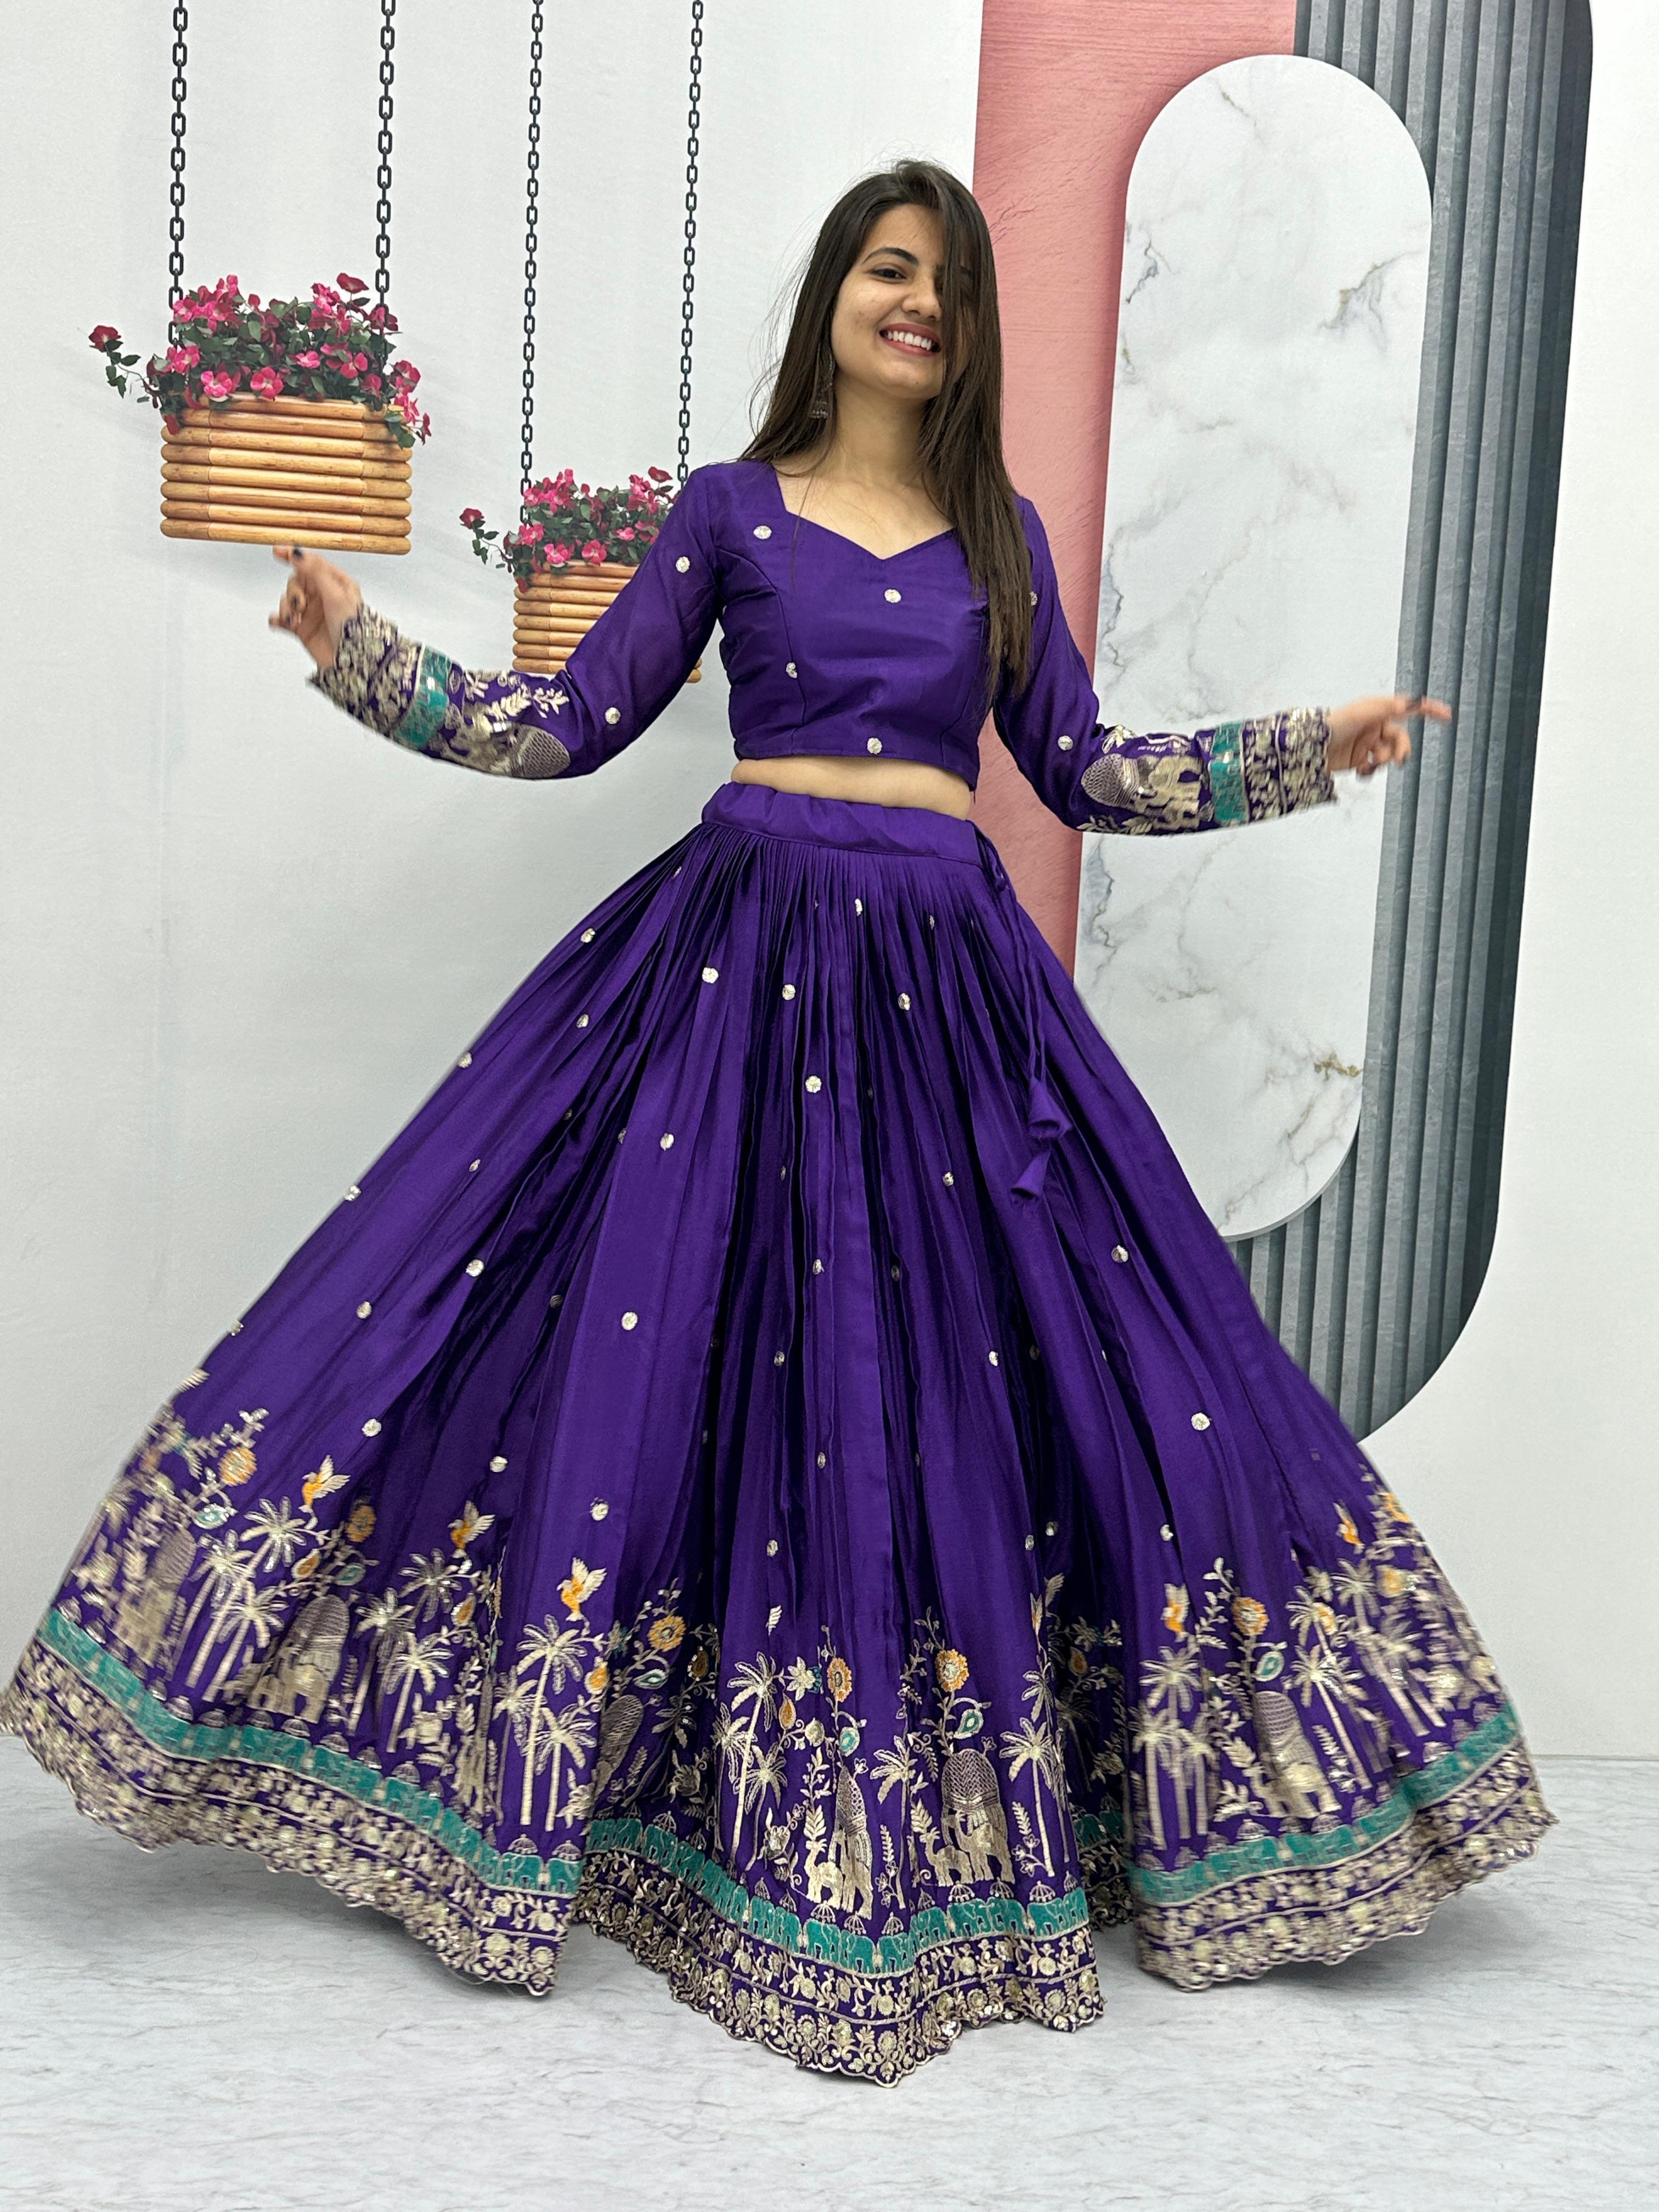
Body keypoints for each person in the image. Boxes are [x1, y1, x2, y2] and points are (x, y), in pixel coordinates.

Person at [2, 160, 1550, 2084]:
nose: (919, 305)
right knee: (649, 1344)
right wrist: (364, 653)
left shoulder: (1001, 538)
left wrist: (1307, 748)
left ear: (972, 334)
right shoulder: (727, 514)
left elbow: (1081, 773)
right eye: (889, 271)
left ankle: (1025, 1802)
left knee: (987, 1373)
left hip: (950, 998)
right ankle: (615, 1786)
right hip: (737, 973)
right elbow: (566, 726)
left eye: (950, 287)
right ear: (834, 296)